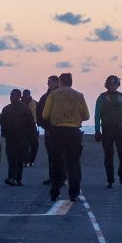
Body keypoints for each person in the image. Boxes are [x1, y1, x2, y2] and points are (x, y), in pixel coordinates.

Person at [43, 73, 90, 202]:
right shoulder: (79, 96)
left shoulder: (53, 95)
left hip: (57, 131)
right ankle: (74, 193)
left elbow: (45, 114)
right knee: (73, 163)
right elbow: (86, 116)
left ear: (60, 82)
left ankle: (55, 192)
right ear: (71, 82)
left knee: (56, 162)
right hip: (74, 131)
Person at [94, 75, 122, 188]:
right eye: (110, 84)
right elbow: (97, 115)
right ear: (107, 85)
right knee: (108, 155)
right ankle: (110, 179)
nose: (113, 86)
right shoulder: (101, 98)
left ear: (118, 85)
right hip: (107, 130)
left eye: (115, 84)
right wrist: (97, 131)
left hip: (121, 129)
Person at [1, 88, 36, 186]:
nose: (11, 97)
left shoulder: (24, 109)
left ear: (19, 97)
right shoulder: (7, 109)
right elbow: (2, 122)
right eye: (11, 95)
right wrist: (4, 133)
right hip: (12, 137)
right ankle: (13, 177)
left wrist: (32, 136)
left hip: (21, 137)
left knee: (19, 158)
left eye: (13, 95)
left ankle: (17, 178)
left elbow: (31, 123)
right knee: (12, 158)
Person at [37, 75, 61, 185]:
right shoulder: (45, 97)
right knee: (51, 155)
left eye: (50, 82)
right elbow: (40, 112)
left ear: (57, 83)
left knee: (60, 155)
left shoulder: (61, 96)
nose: (48, 84)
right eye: (48, 82)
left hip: (60, 129)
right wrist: (43, 125)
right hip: (49, 130)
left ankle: (61, 177)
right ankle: (53, 177)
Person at [23, 89, 38, 168]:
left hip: (32, 125)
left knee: (35, 144)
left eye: (26, 94)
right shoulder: (20, 103)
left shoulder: (34, 103)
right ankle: (26, 161)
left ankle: (31, 161)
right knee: (25, 144)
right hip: (23, 126)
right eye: (24, 94)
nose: (25, 96)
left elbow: (39, 112)